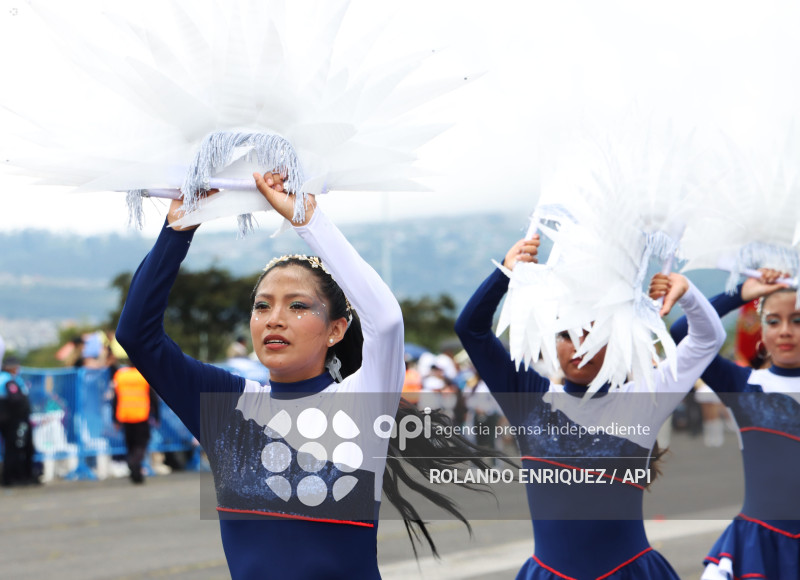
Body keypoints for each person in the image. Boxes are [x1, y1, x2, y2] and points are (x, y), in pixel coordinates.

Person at [116, 173, 497, 579]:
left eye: (297, 306)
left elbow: (385, 322)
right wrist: (178, 227)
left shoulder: (362, 401)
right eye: (262, 307)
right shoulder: (227, 406)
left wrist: (308, 219)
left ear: (336, 329)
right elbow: (137, 335)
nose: (274, 320)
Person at [454, 236, 726, 579]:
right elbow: (471, 329)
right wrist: (505, 275)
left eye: (595, 333)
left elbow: (708, 339)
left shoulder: (645, 397)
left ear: (619, 338)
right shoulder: (529, 398)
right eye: (567, 334)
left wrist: (686, 292)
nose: (580, 345)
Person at [670, 268, 800, 580]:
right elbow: (681, 333)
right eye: (773, 320)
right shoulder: (743, 384)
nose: (785, 330)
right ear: (761, 331)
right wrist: (740, 292)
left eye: (797, 320)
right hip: (756, 546)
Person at [112, 363, 160, 484]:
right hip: (141, 416)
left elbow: (115, 398)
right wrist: (157, 416)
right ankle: (134, 464)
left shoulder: (120, 376)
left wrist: (115, 418)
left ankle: (136, 474)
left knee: (131, 445)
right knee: (141, 444)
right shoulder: (143, 375)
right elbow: (153, 398)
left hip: (125, 415)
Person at [0, 355, 36, 486]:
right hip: (15, 420)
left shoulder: (9, 379)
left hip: (11, 420)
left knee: (13, 448)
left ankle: (15, 477)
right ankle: (15, 477)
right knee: (16, 448)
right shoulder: (9, 381)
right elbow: (15, 400)